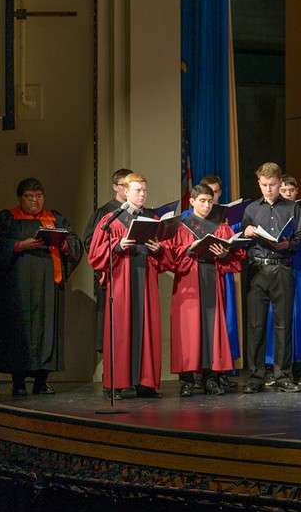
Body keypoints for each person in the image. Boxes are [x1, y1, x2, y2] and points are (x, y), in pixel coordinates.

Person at [0, 178, 84, 396]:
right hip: (17, 289)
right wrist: (20, 245)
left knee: (47, 330)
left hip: (49, 287)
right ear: (20, 198)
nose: (34, 201)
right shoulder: (7, 219)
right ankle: (18, 383)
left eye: (39, 196)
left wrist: (66, 243)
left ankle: (42, 381)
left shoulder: (55, 218)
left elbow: (76, 243)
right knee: (18, 330)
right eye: (29, 197)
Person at [88, 172, 164, 398]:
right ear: (126, 192)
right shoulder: (111, 219)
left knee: (146, 328)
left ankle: (145, 382)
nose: (142, 194)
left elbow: (166, 253)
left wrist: (158, 249)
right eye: (138, 190)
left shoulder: (153, 220)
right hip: (122, 280)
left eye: (145, 190)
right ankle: (116, 383)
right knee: (121, 330)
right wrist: (118, 246)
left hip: (145, 279)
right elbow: (95, 254)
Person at [162, 183, 240, 397]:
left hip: (211, 279)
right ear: (192, 201)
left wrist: (224, 254)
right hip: (188, 282)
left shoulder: (221, 227)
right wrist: (187, 250)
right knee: (188, 331)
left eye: (209, 201)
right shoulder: (181, 226)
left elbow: (236, 256)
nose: (206, 205)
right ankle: (187, 381)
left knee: (210, 328)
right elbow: (168, 255)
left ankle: (211, 378)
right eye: (202, 201)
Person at [240, 162, 301, 394]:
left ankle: (282, 374)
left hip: (282, 268)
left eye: (272, 185)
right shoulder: (251, 209)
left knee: (283, 324)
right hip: (257, 270)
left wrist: (287, 243)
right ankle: (256, 375)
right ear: (259, 183)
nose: (268, 189)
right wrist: (245, 233)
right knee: (256, 325)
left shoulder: (292, 208)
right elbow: (241, 242)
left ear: (280, 183)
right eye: (264, 185)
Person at [267, 174, 301, 385]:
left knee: (300, 317)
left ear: (296, 192)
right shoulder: (271, 212)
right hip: (277, 268)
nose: (287, 194)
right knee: (277, 318)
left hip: (299, 267)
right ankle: (273, 366)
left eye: (291, 191)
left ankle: (300, 368)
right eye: (283, 190)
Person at [83, 167, 132, 354]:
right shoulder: (105, 214)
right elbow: (90, 242)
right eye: (124, 185)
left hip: (133, 273)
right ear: (116, 187)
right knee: (112, 324)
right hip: (112, 274)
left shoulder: (138, 213)